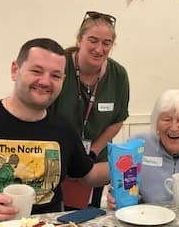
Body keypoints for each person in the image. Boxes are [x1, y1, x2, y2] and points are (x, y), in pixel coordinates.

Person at [0, 38, 109, 222]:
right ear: (15, 70)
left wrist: (131, 163)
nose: (45, 82)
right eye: (36, 71)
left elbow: (88, 175)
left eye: (55, 75)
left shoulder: (64, 129)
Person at [49, 11, 129, 209]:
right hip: (57, 161)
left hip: (95, 164)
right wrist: (70, 156)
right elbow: (43, 115)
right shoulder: (60, 67)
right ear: (79, 40)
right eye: (93, 40)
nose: (99, 49)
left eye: (106, 43)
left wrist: (92, 153)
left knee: (89, 216)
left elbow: (117, 119)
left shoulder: (118, 75)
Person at [107, 89, 179, 208]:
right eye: (166, 120)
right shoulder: (138, 145)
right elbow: (128, 191)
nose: (174, 128)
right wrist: (117, 197)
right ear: (156, 122)